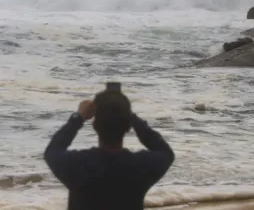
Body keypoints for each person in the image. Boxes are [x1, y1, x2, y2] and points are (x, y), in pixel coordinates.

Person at [44, 83, 174, 210]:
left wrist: (78, 118)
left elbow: (53, 150)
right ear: (128, 126)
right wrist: (132, 118)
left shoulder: (79, 165)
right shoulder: (139, 166)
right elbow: (165, 152)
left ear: (95, 125)